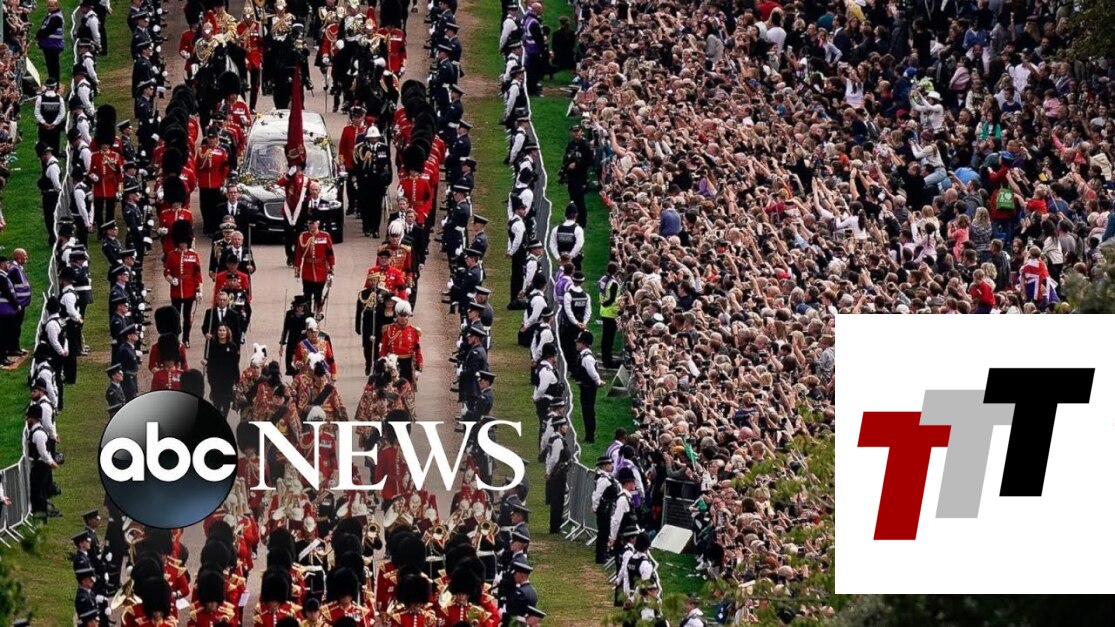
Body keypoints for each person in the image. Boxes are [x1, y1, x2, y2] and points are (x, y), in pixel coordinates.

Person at [294, 217, 335, 317]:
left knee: (318, 294)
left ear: (318, 224)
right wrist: (297, 269)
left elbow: (329, 253)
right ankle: (308, 315)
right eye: (309, 224)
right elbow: (298, 253)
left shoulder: (325, 236)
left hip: (321, 270)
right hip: (307, 270)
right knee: (307, 294)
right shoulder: (303, 236)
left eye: (313, 224)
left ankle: (317, 313)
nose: (311, 226)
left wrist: (331, 267)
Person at [26, 403, 60, 521]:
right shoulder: (36, 431)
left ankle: (41, 518)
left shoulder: (38, 434)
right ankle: (40, 517)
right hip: (41, 465)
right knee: (37, 492)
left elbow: (43, 452)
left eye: (29, 418)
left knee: (38, 493)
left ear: (33, 418)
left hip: (41, 466)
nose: (27, 420)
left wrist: (50, 462)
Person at [203, 323, 241, 416]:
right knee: (217, 401)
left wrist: (237, 378)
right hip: (216, 379)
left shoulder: (232, 346)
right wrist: (206, 364)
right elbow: (210, 362)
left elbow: (235, 364)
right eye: (220, 330)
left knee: (226, 401)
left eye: (224, 330)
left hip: (228, 379)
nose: (222, 332)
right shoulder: (213, 346)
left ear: (227, 332)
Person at [544, 416, 571, 534]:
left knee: (557, 500)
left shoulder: (553, 438)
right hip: (558, 474)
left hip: (556, 474)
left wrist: (548, 471)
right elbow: (554, 458)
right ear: (559, 427)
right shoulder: (558, 441)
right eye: (564, 425)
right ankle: (555, 527)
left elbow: (549, 457)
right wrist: (548, 472)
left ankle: (556, 526)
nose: (566, 427)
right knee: (557, 501)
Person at [591, 455, 619, 564]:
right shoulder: (603, 479)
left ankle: (603, 553)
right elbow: (597, 494)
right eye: (609, 464)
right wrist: (595, 506)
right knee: (603, 532)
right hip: (604, 508)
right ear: (604, 466)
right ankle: (601, 556)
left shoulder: (606, 477)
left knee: (605, 531)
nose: (611, 466)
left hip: (606, 507)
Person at [38, 142, 63, 246]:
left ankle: (54, 238)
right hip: (50, 195)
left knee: (51, 218)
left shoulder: (52, 166)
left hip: (51, 196)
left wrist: (60, 195)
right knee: (50, 218)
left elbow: (56, 184)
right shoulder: (50, 164)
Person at [0, 257, 24, 366]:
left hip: (6, 310)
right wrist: (16, 305)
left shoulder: (4, 276)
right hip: (3, 311)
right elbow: (7, 293)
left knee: (8, 332)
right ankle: (2, 357)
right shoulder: (1, 277)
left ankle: (8, 352)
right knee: (3, 334)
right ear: (1, 264)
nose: (8, 264)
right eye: (6, 263)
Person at [598, 262, 620, 369]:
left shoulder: (603, 279)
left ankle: (605, 359)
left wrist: (603, 304)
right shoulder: (613, 283)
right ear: (616, 271)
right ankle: (608, 361)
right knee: (609, 339)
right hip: (611, 313)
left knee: (605, 338)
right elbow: (612, 299)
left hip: (604, 310)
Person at [37, 0, 66, 82]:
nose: (49, 8)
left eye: (51, 6)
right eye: (48, 6)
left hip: (53, 45)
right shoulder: (51, 15)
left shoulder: (56, 17)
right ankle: (53, 81)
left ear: (56, 6)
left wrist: (39, 35)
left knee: (53, 65)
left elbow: (48, 30)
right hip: (49, 44)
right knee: (50, 65)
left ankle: (55, 82)